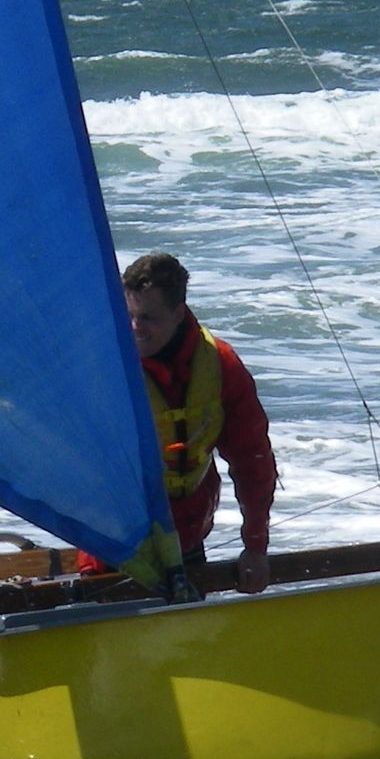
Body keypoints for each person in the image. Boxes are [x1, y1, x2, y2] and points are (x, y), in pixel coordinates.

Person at [89, 252, 278, 594]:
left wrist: (255, 546)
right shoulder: (103, 367)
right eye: (128, 315)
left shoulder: (221, 366)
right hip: (114, 548)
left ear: (178, 314)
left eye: (148, 317)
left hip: (185, 540)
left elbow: (254, 461)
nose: (135, 328)